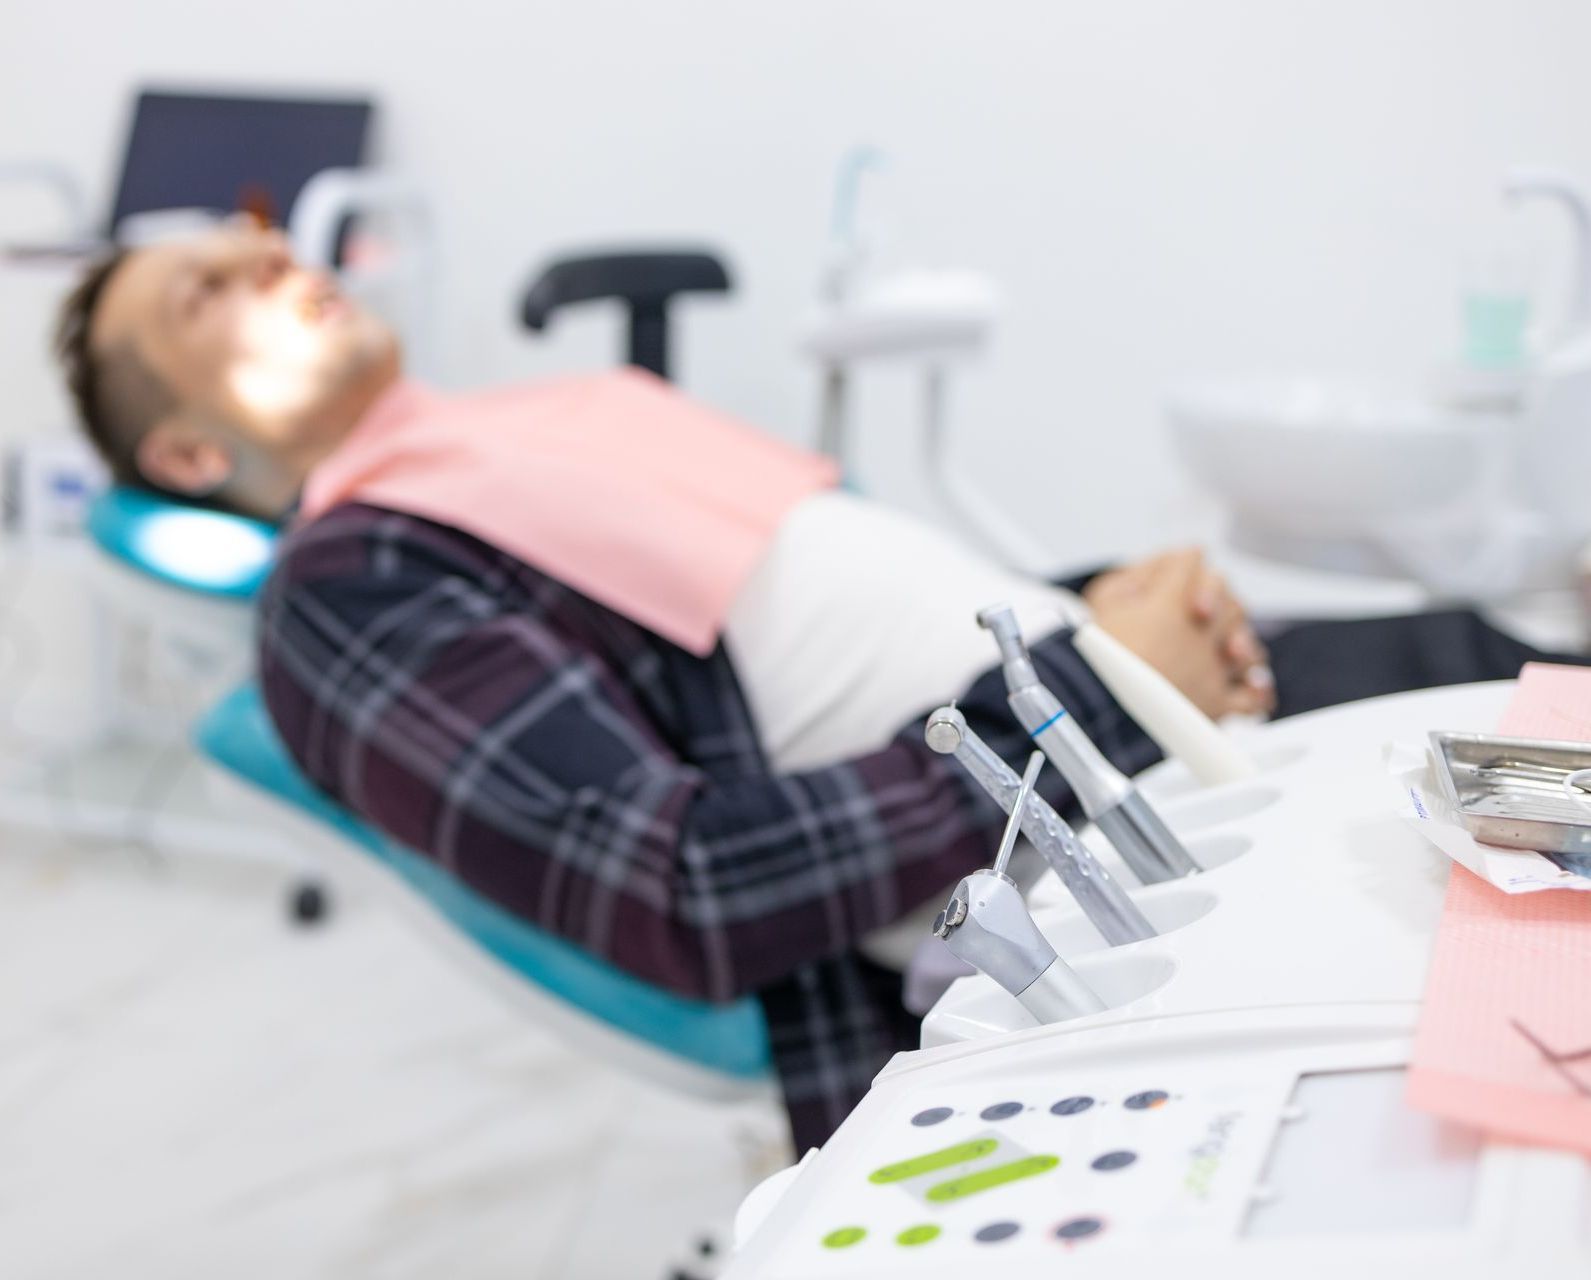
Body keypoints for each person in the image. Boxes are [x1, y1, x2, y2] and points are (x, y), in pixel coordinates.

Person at [52, 223, 1566, 1148]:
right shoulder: (351, 589)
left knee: (1521, 670)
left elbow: (852, 623)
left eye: (247, 241)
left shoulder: (513, 444)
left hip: (1126, 727)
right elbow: (685, 891)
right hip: (1090, 843)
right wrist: (1096, 687)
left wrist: (1111, 609)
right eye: (203, 297)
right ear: (191, 457)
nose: (270, 258)